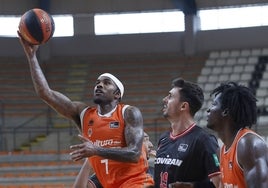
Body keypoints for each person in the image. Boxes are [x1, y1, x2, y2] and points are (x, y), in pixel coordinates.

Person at [18, 32, 154, 188]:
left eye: (106, 83)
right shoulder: (84, 114)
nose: (99, 85)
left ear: (117, 94)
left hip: (136, 183)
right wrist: (32, 57)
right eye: (97, 82)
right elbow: (45, 93)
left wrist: (96, 149)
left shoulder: (129, 112)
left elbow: (134, 154)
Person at [155, 78, 221, 188]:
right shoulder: (163, 139)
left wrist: (193, 186)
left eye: (170, 96)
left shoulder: (204, 140)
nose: (164, 99)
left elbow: (219, 184)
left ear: (183, 106)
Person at [207, 82, 268, 188]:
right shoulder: (220, 151)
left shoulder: (248, 145)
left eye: (213, 105)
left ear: (225, 112)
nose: (208, 110)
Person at [72, 131, 156, 188]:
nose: (151, 144)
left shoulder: (155, 171)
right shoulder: (110, 173)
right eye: (145, 139)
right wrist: (89, 160)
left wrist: (164, 165)